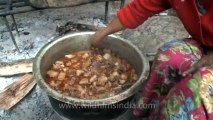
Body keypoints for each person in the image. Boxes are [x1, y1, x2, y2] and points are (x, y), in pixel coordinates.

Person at [90, 0, 213, 119]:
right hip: (205, 43)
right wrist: (103, 33)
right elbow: (140, 8)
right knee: (167, 57)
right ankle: (152, 113)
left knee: (196, 87)